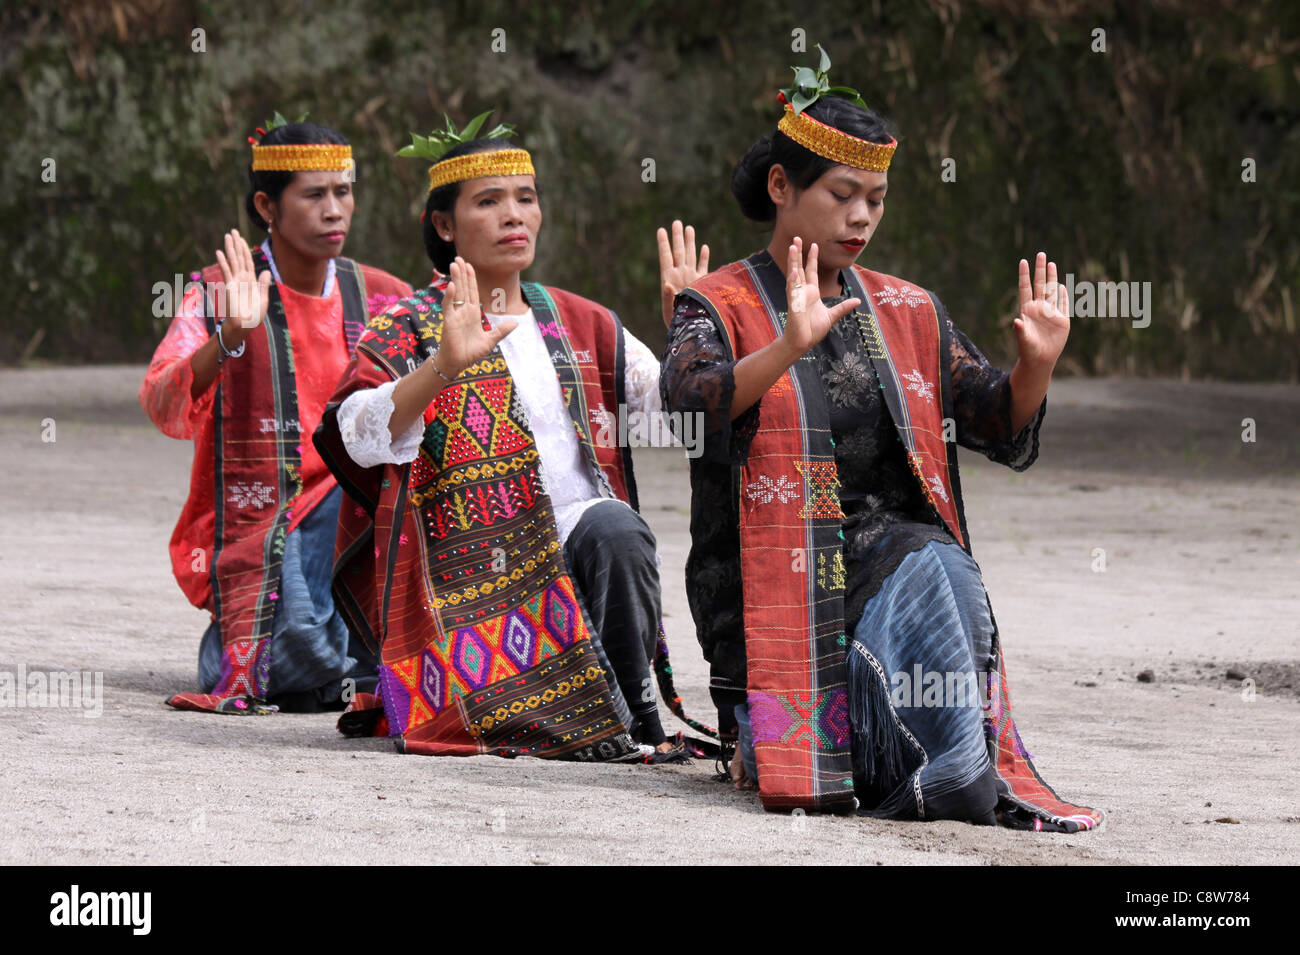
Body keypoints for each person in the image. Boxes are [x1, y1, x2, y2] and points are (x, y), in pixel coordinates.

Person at [660, 51, 1103, 830]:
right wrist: (786, 346)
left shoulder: (908, 309)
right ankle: (799, 737)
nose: (862, 216)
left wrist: (1036, 364)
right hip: (771, 588)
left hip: (895, 570)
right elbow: (692, 406)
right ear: (781, 187)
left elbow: (997, 421)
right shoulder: (719, 300)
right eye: (842, 195)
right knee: (929, 572)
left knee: (942, 567)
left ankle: (949, 765)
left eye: (877, 199)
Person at [314, 114, 706, 759]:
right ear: (445, 225)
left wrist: (687, 332)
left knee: (617, 528)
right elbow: (355, 434)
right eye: (489, 202)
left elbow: (674, 419)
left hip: (579, 534)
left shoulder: (583, 321)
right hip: (465, 562)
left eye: (525, 199)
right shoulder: (410, 323)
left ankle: (632, 717)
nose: (513, 216)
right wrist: (443, 367)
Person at [140, 117, 412, 714]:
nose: (335, 209)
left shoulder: (384, 294)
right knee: (305, 650)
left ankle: (330, 659)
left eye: (343, 191)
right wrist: (232, 334)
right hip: (265, 517)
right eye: (315, 194)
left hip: (361, 505)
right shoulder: (218, 293)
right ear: (267, 204)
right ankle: (281, 654)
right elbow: (163, 401)